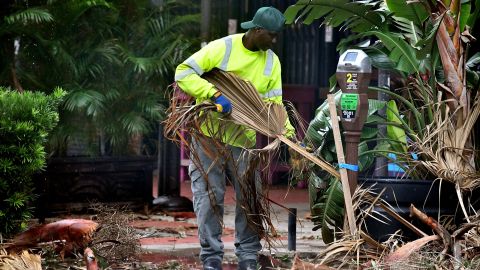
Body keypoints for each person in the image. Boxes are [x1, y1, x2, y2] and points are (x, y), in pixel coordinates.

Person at [174, 6, 294, 270]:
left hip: (244, 142)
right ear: (256, 30)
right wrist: (214, 94)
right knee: (208, 196)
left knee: (250, 198)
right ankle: (211, 258)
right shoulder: (223, 48)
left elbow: (275, 104)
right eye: (271, 36)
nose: (274, 41)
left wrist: (289, 135)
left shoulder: (272, 62)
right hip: (208, 136)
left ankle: (248, 257)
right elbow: (183, 72)